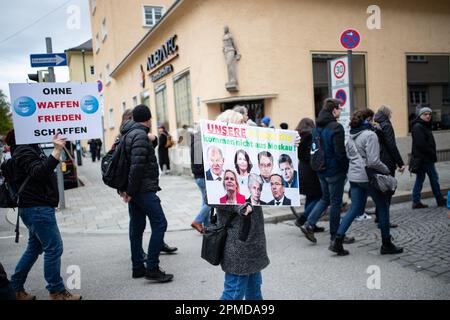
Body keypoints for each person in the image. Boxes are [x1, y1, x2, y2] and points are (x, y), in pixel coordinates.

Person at [5, 130, 82, 300]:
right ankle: (56, 291)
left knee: (35, 247)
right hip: (37, 208)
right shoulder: (23, 150)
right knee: (54, 247)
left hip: (36, 206)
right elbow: (39, 173)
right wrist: (55, 151)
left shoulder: (28, 148)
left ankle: (16, 287)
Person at [329, 110, 403, 256]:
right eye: (373, 119)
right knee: (382, 206)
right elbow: (373, 161)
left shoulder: (351, 136)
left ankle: (337, 241)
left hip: (355, 177)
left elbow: (351, 156)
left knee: (355, 208)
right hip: (368, 176)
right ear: (368, 119)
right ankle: (386, 244)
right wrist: (387, 169)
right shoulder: (370, 135)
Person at [213, 110, 270, 300]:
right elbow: (213, 196)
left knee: (254, 289)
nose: (246, 126)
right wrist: (239, 206)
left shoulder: (250, 150)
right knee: (234, 293)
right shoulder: (219, 158)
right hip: (237, 237)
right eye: (241, 123)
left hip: (252, 235)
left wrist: (292, 146)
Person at [119, 104, 174, 282]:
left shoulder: (127, 134)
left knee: (136, 227)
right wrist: (130, 192)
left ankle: (137, 267)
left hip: (134, 190)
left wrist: (127, 190)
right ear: (148, 119)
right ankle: (152, 267)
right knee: (160, 224)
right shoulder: (140, 135)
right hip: (142, 190)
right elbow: (136, 168)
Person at [300, 98, 350, 245]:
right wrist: (345, 168)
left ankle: (309, 224)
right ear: (334, 110)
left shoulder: (317, 127)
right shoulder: (336, 127)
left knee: (325, 199)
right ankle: (336, 236)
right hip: (334, 170)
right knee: (335, 203)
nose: (341, 111)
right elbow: (340, 152)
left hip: (320, 169)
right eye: (339, 108)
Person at [373, 105, 405, 228]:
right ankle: (383, 220)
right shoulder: (386, 125)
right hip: (387, 162)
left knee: (381, 190)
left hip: (379, 160)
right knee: (387, 190)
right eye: (390, 113)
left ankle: (379, 216)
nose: (391, 115)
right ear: (387, 114)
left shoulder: (376, 124)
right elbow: (391, 145)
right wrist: (400, 163)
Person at [411, 106, 446, 208]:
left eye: (429, 114)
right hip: (425, 159)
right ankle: (439, 200)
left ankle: (416, 201)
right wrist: (431, 153)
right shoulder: (418, 126)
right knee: (434, 178)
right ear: (420, 115)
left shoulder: (424, 125)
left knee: (420, 179)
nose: (428, 116)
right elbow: (421, 144)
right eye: (425, 114)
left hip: (423, 158)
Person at [294, 118, 325, 232]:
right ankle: (304, 218)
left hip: (302, 168)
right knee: (320, 196)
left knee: (310, 197)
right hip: (311, 170)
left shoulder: (299, 136)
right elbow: (313, 153)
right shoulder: (311, 136)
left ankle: (311, 224)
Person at [190, 123, 211, 233]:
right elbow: (198, 163)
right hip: (202, 177)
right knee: (211, 201)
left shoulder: (197, 140)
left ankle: (207, 227)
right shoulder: (198, 142)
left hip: (200, 177)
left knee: (205, 201)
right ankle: (197, 221)